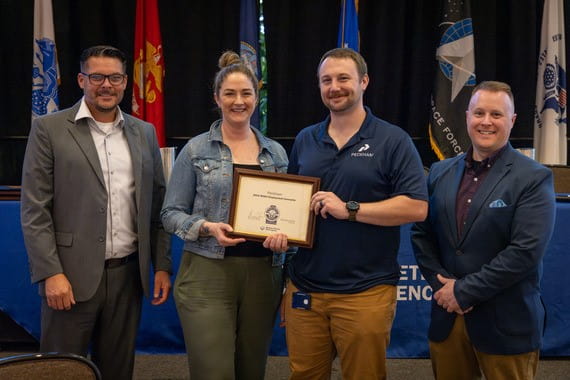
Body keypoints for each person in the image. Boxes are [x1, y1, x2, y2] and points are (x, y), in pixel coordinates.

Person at [20, 45, 172, 379]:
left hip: (128, 276)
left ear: (124, 82)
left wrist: (161, 265)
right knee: (61, 370)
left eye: (115, 77)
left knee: (118, 369)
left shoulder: (143, 132)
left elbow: (157, 205)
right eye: (97, 77)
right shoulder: (49, 129)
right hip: (69, 278)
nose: (106, 85)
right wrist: (50, 273)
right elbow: (35, 210)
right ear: (81, 80)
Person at [285, 47, 428, 380]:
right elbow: (292, 205)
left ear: (364, 81)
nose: (334, 86)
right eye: (326, 80)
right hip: (306, 288)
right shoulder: (306, 139)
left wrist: (349, 209)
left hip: (365, 292)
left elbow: (417, 207)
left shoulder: (393, 140)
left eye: (343, 78)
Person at [411, 81, 556, 380]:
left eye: (496, 114)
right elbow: (421, 235)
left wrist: (463, 291)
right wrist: (442, 289)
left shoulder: (534, 177)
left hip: (506, 323)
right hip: (447, 319)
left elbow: (524, 252)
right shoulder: (439, 172)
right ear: (466, 117)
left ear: (512, 120)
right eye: (479, 113)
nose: (486, 122)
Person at [160, 51, 289, 380]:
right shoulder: (196, 149)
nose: (238, 101)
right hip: (207, 272)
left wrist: (284, 242)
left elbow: (288, 215)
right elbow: (170, 213)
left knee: (252, 369)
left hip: (264, 275)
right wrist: (204, 227)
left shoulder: (275, 152)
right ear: (217, 98)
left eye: (246, 93)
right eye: (229, 93)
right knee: (212, 371)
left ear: (256, 96)